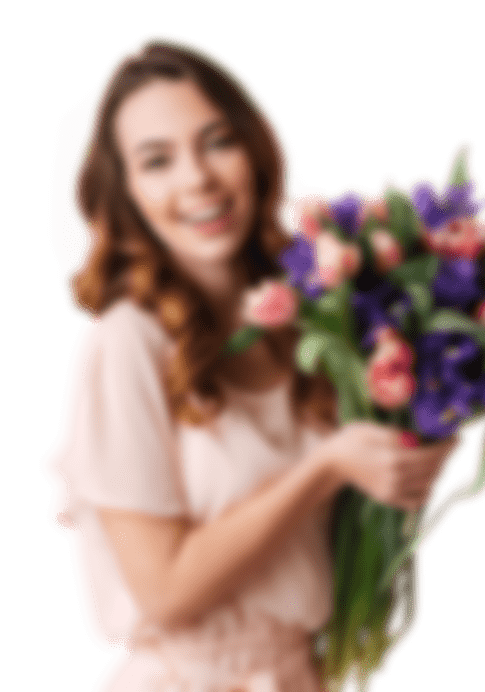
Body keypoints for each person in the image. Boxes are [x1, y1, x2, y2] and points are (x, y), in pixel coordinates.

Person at [42, 32, 457, 692]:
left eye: (217, 142)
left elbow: (346, 532)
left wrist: (421, 439)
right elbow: (163, 591)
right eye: (157, 160)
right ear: (125, 194)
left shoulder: (306, 321)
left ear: (255, 152)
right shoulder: (123, 342)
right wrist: (326, 467)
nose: (197, 178)